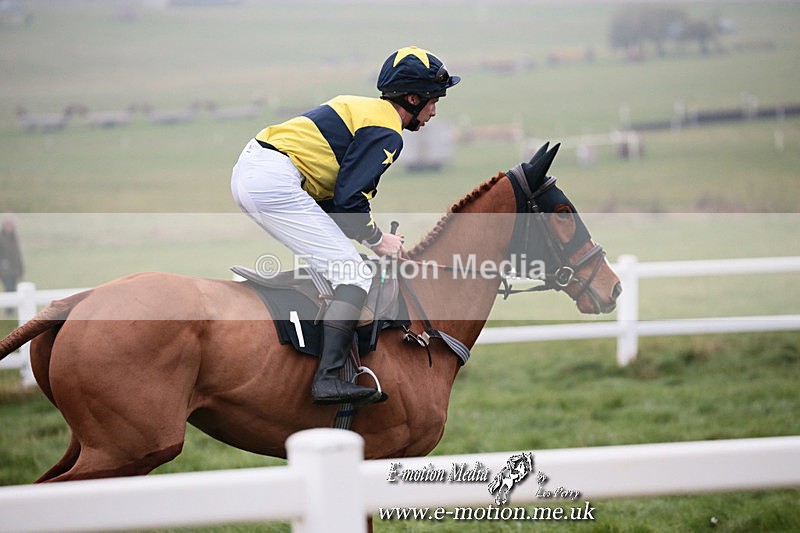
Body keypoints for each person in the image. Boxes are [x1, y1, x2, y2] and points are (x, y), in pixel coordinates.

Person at [231, 46, 460, 405]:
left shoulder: (365, 109)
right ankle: (327, 378)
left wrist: (366, 236)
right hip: (273, 180)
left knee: (340, 260)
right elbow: (349, 203)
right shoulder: (387, 132)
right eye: (433, 100)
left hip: (260, 171)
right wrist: (378, 240)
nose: (433, 110)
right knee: (352, 273)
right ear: (413, 98)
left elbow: (338, 202)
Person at [0, 217, 24, 316]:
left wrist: (20, 268)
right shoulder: (1, 238)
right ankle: (8, 311)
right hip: (5, 271)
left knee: (13, 289)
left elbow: (17, 255)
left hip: (14, 270)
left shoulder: (13, 238)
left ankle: (11, 311)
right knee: (9, 289)